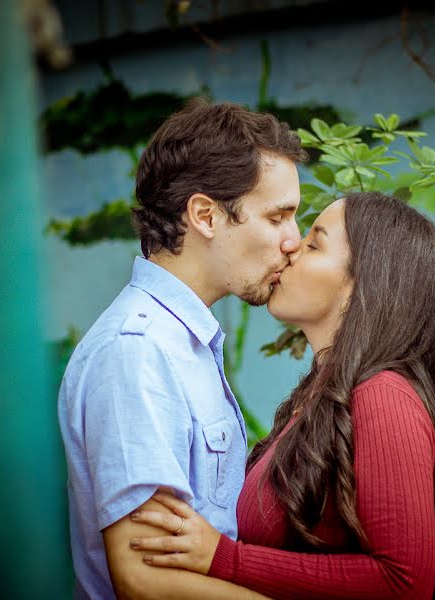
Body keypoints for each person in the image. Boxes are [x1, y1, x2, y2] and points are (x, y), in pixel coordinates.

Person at [128, 191, 435, 600]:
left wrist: (227, 559)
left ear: (366, 280)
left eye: (314, 243)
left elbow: (403, 583)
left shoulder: (383, 395)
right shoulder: (322, 396)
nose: (290, 247)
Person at [57, 97, 307, 599]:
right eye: (278, 217)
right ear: (205, 216)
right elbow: (146, 580)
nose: (293, 241)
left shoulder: (179, 342)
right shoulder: (138, 352)